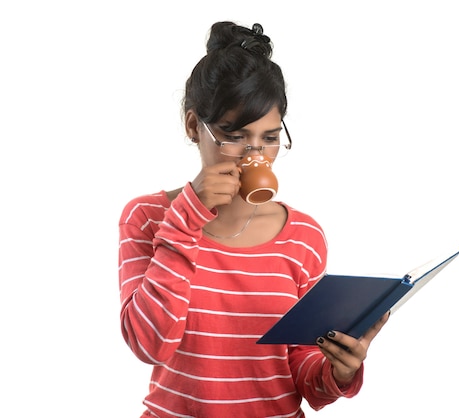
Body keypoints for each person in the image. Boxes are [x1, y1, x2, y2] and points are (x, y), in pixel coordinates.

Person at [118, 21, 389, 417]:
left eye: (269, 137)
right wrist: (186, 217)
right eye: (235, 135)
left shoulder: (303, 236)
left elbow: (300, 367)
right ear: (195, 126)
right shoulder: (148, 217)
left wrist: (338, 371)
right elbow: (149, 344)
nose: (255, 155)